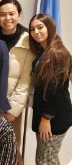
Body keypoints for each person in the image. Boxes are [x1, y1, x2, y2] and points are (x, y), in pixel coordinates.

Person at [0, 0, 36, 164]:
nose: (7, 18)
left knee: (11, 152)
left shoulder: (28, 42)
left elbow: (25, 82)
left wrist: (12, 111)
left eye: (12, 14)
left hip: (11, 109)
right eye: (2, 14)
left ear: (19, 15)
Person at [29, 14, 72, 165]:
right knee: (45, 159)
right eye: (33, 29)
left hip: (54, 117)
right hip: (46, 114)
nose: (36, 32)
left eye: (40, 27)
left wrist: (46, 118)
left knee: (46, 161)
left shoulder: (56, 53)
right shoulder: (44, 52)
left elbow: (57, 90)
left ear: (50, 27)